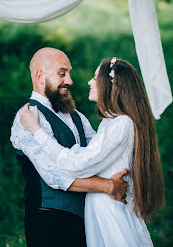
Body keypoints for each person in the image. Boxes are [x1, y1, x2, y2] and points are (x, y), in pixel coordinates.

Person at [20, 57, 165, 247]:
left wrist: (38, 132)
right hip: (78, 214)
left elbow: (79, 163)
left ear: (111, 86)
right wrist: (106, 184)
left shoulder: (119, 123)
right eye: (63, 74)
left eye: (95, 78)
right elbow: (77, 164)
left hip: (109, 211)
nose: (88, 81)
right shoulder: (110, 122)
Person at [10, 48, 128, 247]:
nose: (70, 81)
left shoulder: (76, 116)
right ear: (40, 76)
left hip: (86, 219)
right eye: (62, 73)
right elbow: (55, 176)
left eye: (69, 73)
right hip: (49, 225)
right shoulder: (27, 118)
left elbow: (97, 155)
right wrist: (109, 186)